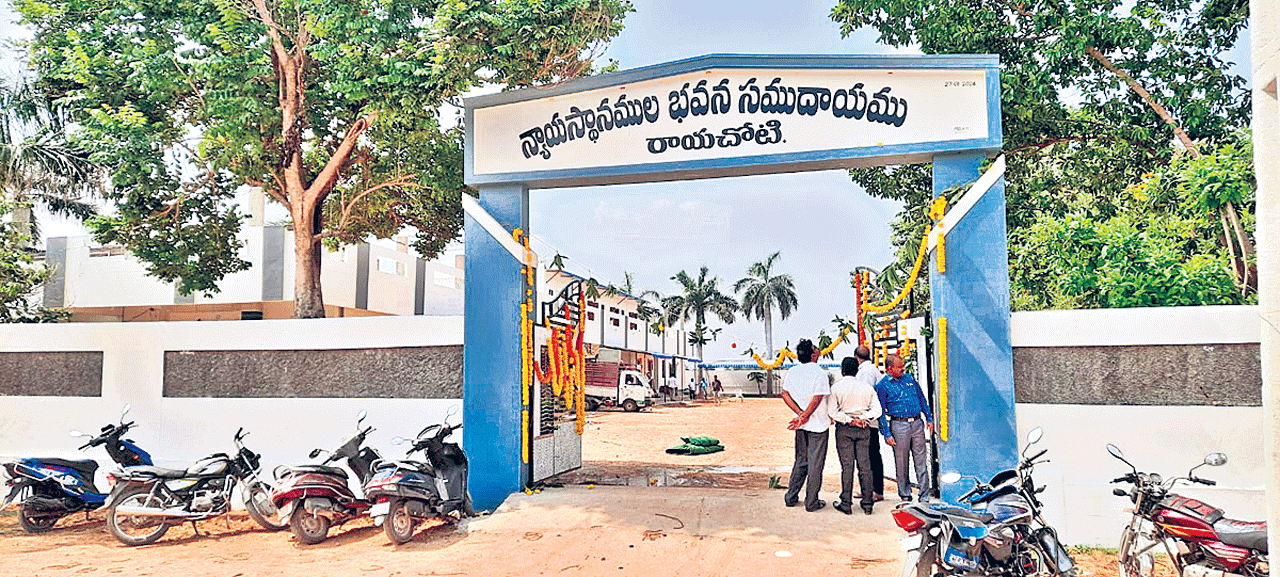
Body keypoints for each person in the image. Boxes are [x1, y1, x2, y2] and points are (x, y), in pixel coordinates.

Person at [781, 339, 831, 512]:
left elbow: (785, 394)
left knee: (801, 461)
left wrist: (800, 414)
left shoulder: (792, 372)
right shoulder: (820, 373)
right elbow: (817, 398)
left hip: (800, 426)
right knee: (816, 465)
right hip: (817, 426)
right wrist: (806, 415)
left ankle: (791, 497)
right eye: (816, 349)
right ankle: (811, 502)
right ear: (814, 354)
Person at [876, 354, 934, 503]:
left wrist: (928, 418)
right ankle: (905, 494)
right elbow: (880, 412)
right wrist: (886, 433)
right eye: (899, 367)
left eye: (903, 365)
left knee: (921, 460)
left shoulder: (909, 379)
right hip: (898, 425)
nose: (903, 369)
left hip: (916, 423)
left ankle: (924, 496)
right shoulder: (882, 386)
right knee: (901, 462)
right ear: (889, 369)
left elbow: (921, 398)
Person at [828, 356, 883, 515]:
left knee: (847, 467)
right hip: (864, 429)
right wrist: (862, 419)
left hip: (844, 430)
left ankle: (846, 503)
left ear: (842, 370)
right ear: (857, 370)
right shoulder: (866, 388)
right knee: (865, 466)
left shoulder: (837, 388)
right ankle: (867, 504)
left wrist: (850, 420)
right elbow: (877, 411)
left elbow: (832, 412)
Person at [854, 346, 886, 502]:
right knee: (867, 456)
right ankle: (868, 489)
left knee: (871, 456)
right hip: (868, 419)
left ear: (856, 357)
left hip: (868, 420)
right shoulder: (870, 369)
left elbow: (866, 396)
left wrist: (862, 418)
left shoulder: (866, 372)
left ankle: (876, 490)